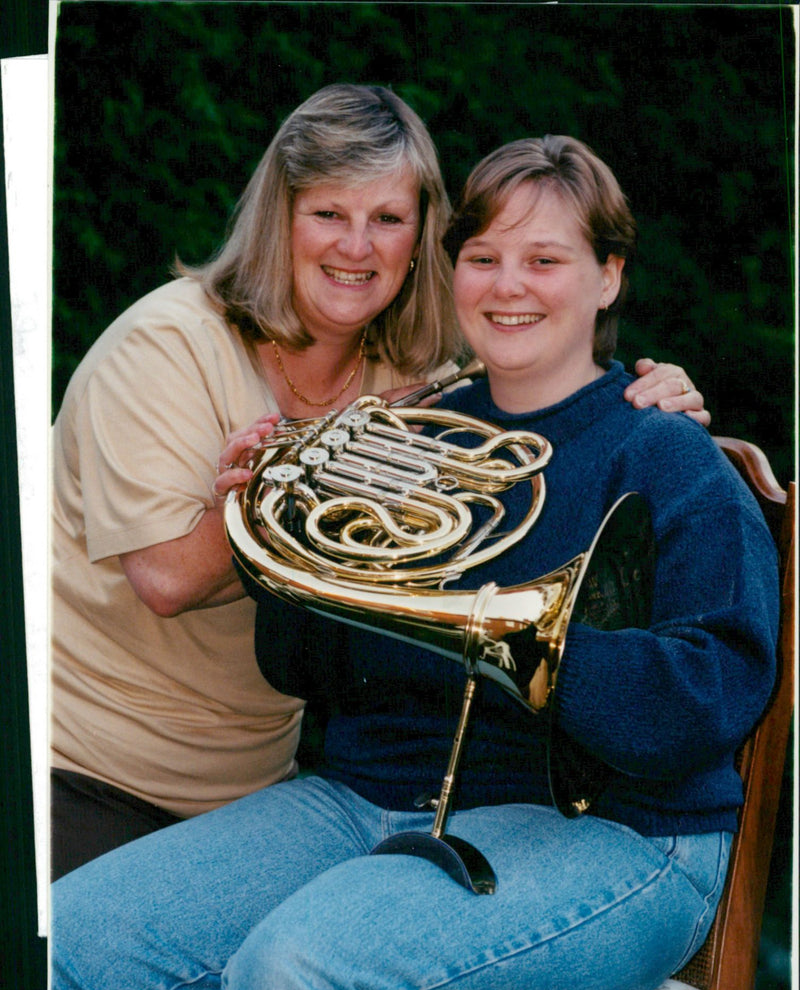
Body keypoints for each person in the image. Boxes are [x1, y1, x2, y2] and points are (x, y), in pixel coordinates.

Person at [51, 133, 778, 990]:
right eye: (484, 258)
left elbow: (713, 687)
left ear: (607, 278)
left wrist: (505, 621)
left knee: (298, 973)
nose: (509, 286)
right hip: (373, 796)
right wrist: (280, 534)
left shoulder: (664, 451)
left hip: (616, 836)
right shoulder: (403, 428)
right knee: (72, 946)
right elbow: (302, 667)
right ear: (454, 273)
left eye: (545, 260)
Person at [50, 83, 707, 882]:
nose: (356, 247)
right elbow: (164, 579)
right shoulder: (164, 346)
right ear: (280, 220)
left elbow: (545, 370)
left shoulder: (422, 375)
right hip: (79, 770)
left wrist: (649, 397)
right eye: (329, 213)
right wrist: (283, 486)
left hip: (260, 787)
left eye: (388, 220)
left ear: (421, 236)